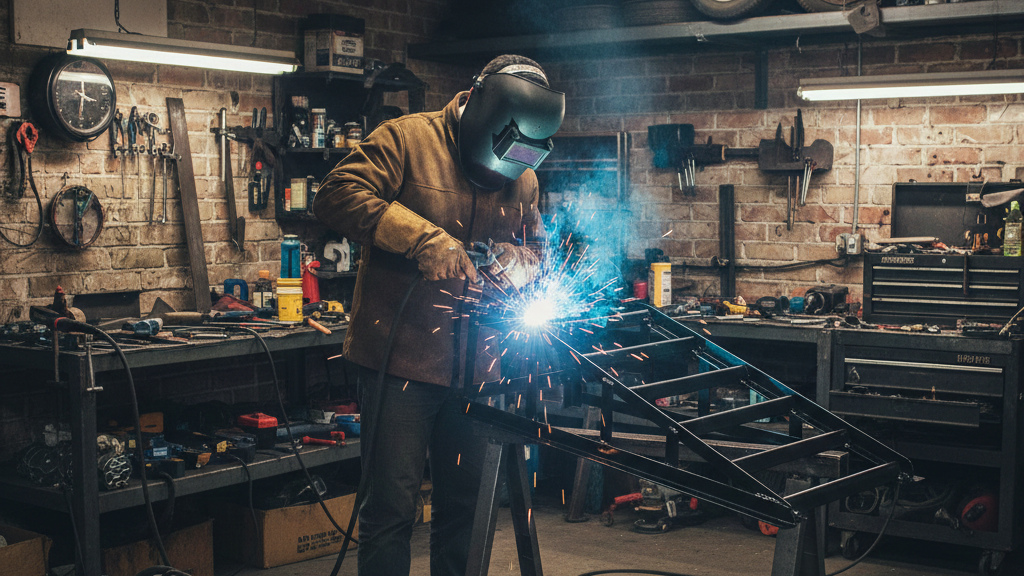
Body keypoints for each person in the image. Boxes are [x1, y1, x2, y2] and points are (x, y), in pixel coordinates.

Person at [312, 54, 565, 575]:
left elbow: (538, 250)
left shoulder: (524, 177)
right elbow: (336, 195)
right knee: (391, 509)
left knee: (468, 507)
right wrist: (422, 238)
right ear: (475, 104)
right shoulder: (407, 139)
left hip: (478, 369)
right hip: (400, 362)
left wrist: (523, 261)